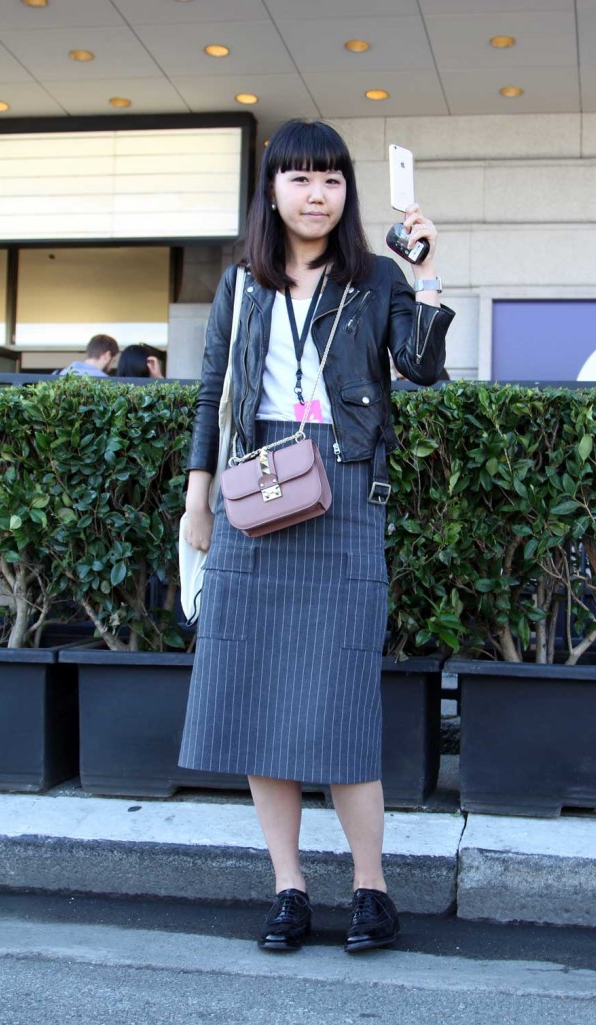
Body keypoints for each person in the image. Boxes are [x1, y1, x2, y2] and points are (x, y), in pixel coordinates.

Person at [179, 119, 454, 954]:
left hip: (342, 497)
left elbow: (421, 365)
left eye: (330, 179)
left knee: (338, 700)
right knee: (260, 698)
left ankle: (371, 889)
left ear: (347, 191)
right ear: (271, 190)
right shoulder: (243, 283)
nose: (315, 193)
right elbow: (209, 396)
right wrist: (196, 505)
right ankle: (288, 886)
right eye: (298, 178)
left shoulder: (373, 278)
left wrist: (426, 274)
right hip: (252, 498)